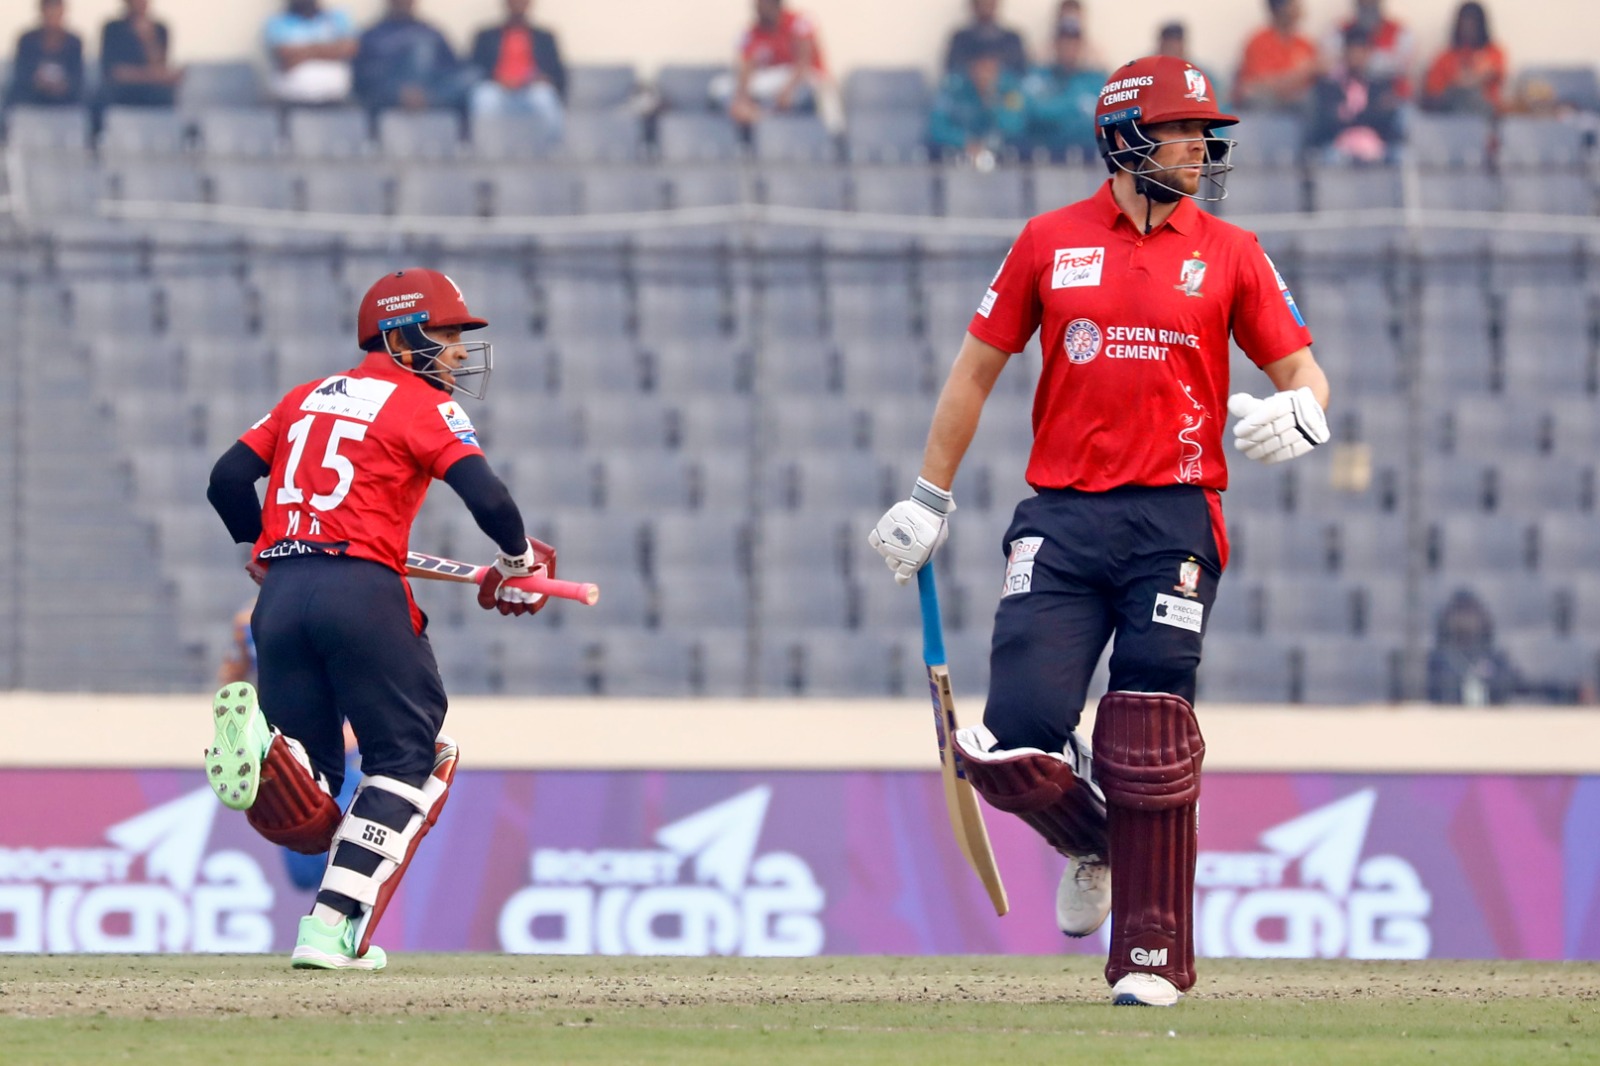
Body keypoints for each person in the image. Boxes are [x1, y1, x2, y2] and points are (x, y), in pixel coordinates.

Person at [870, 55, 1329, 1007]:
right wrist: (929, 496)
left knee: (1150, 733)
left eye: (1208, 134)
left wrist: (1306, 417)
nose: (1202, 148)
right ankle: (1097, 842)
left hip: (1174, 516)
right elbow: (973, 373)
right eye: (1182, 132)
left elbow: (1304, 375)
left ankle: (1152, 959)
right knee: (1010, 747)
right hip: (1063, 517)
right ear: (1126, 139)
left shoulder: (1232, 249)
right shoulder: (1047, 239)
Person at [205, 267, 559, 970]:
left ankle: (279, 752)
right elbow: (487, 497)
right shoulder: (421, 405)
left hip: (280, 603)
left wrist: (259, 548)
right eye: (446, 334)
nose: (458, 351)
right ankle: (329, 931)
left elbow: (224, 479)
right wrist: (520, 561)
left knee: (314, 803)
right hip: (362, 593)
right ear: (400, 337)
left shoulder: (304, 397)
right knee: (413, 755)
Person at [217, 598, 361, 893]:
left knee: (346, 859)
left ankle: (338, 927)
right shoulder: (247, 621)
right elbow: (233, 675)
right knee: (304, 870)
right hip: (285, 753)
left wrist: (353, 734)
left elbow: (369, 683)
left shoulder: (334, 613)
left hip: (334, 756)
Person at [711, 0, 840, 132]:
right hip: (776, 78)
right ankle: (758, 115)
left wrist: (788, 90)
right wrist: (742, 97)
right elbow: (746, 67)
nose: (757, 11)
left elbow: (804, 62)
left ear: (775, 5)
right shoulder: (752, 31)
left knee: (826, 88)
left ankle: (835, 134)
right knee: (720, 87)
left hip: (806, 76)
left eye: (762, 6)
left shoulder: (799, 21)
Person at [1308, 24, 1405, 163]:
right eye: (1353, 51)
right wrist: (1369, 113)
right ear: (1344, 53)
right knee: (1332, 156)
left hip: (1375, 147)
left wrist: (1350, 115)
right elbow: (1326, 124)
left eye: (1362, 51)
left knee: (1400, 155)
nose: (1357, 56)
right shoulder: (1328, 86)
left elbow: (1386, 122)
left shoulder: (1381, 86)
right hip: (1338, 147)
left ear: (1369, 54)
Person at [469, 0, 567, 136]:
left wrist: (542, 78)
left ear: (529, 4)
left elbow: (559, 76)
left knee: (545, 97)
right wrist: (497, 79)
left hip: (532, 90)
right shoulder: (486, 36)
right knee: (484, 97)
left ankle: (554, 152)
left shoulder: (545, 37)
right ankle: (484, 151)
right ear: (506, 3)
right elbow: (474, 70)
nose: (518, 4)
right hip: (498, 89)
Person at [353, 0, 467, 113]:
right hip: (389, 98)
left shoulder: (431, 33)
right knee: (422, 46)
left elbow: (453, 70)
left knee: (473, 76)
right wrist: (400, 91)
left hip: (431, 97)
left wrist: (425, 93)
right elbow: (363, 76)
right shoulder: (372, 36)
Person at [928, 42, 1027, 163]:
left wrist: (992, 99)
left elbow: (1015, 126)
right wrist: (965, 142)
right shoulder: (952, 86)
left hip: (1001, 156)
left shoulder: (1011, 88)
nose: (986, 73)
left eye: (991, 66)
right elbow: (936, 128)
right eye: (981, 65)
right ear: (971, 65)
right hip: (958, 155)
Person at [1022, 22, 1106, 160]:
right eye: (1064, 43)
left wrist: (1054, 108)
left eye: (1074, 44)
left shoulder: (1096, 80)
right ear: (1055, 45)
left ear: (1082, 47)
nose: (1069, 49)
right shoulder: (1037, 76)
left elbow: (1101, 122)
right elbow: (1033, 113)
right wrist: (1074, 106)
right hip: (1043, 158)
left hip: (1088, 160)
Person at [264, 0, 358, 106]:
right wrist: (329, 50)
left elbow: (348, 49)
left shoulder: (336, 18)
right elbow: (284, 56)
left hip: (336, 99)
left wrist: (302, 54)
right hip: (292, 99)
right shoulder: (277, 23)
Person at [1421, 2, 1505, 116]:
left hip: (1484, 119)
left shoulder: (1493, 53)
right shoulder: (1444, 58)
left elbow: (1494, 75)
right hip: (1451, 119)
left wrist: (1476, 77)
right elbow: (1434, 93)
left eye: (1473, 24)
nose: (1468, 28)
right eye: (1465, 23)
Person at [1234, 0, 1319, 111]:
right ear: (1278, 9)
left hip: (1298, 110)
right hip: (1266, 109)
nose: (1299, 9)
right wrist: (1304, 72)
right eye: (1294, 5)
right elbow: (1261, 86)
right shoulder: (1259, 42)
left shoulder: (1305, 44)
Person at [99, 0, 181, 108]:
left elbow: (160, 68)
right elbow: (114, 71)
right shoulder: (113, 29)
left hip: (152, 91)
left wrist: (147, 39)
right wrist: (150, 75)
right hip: (123, 91)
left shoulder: (160, 29)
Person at [1324, 0, 1412, 99]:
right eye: (1363, 3)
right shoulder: (1339, 30)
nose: (1368, 6)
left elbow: (1401, 67)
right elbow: (1330, 65)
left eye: (1372, 3)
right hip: (1348, 94)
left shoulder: (1400, 32)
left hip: (1388, 95)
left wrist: (1366, 63)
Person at [6, 0, 85, 108]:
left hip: (64, 94)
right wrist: (37, 81)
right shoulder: (27, 40)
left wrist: (63, 85)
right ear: (42, 12)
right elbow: (21, 71)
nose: (52, 16)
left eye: (55, 11)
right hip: (33, 91)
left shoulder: (73, 41)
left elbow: (78, 74)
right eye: (49, 11)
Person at [1155, 22, 1226, 113]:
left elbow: (1219, 107)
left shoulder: (1203, 74)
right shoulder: (1148, 73)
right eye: (1168, 43)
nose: (1172, 47)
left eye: (1176, 42)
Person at [946, 0, 1028, 77]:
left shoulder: (1012, 39)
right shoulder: (960, 39)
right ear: (973, 4)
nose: (985, 4)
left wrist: (997, 70)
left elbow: (1021, 71)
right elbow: (952, 70)